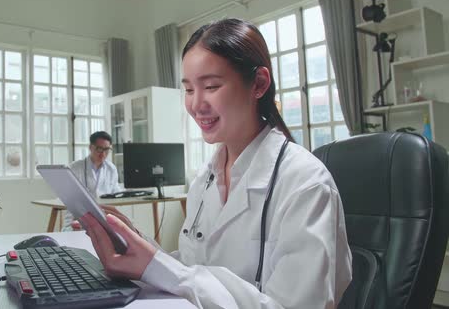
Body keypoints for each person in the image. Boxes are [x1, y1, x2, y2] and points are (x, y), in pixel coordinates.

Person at [79, 18, 352, 308]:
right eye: (188, 89)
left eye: (210, 86)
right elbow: (192, 268)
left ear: (258, 84)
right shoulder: (205, 179)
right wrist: (136, 242)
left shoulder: (304, 183)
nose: (196, 105)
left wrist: (162, 270)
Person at [64, 131, 121, 231]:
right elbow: (69, 198)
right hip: (79, 219)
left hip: (104, 218)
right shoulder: (75, 167)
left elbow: (115, 195)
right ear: (91, 147)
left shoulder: (111, 169)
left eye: (107, 149)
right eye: (99, 149)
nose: (103, 153)